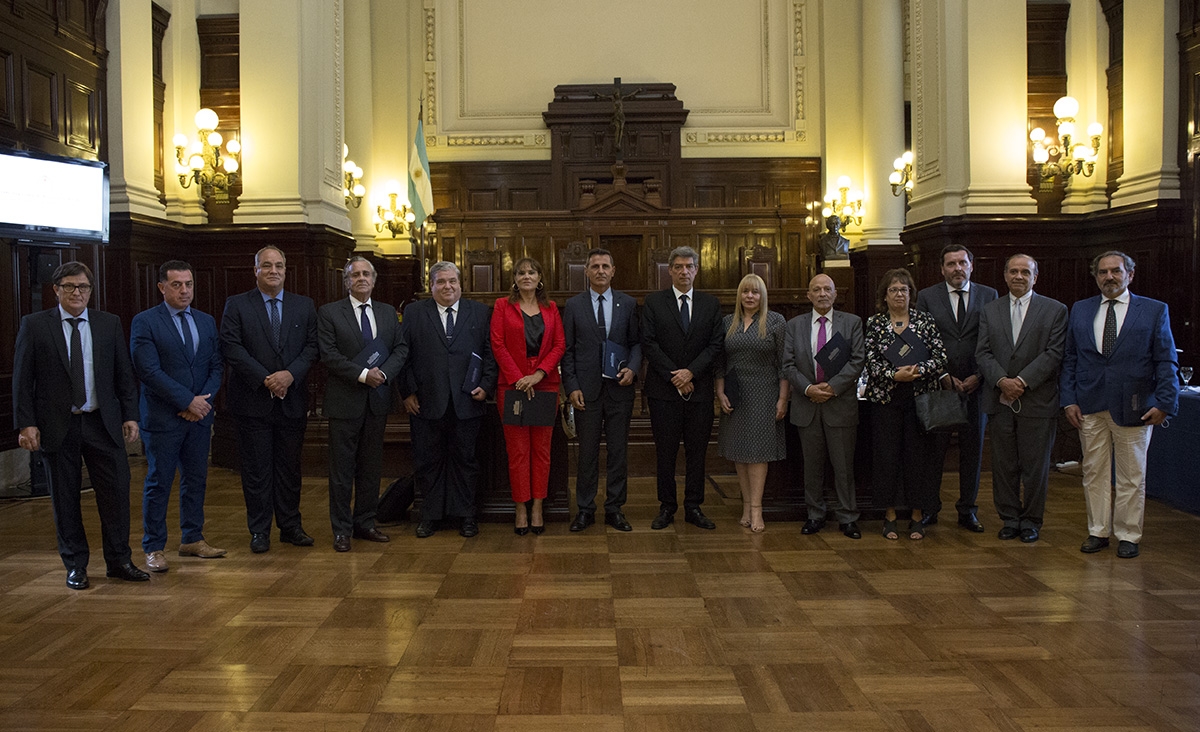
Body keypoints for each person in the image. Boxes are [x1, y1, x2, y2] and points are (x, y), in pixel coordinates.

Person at [13, 261, 149, 589]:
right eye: (70, 287)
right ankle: (76, 565)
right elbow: (22, 379)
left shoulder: (108, 324)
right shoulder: (35, 325)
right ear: (56, 290)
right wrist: (26, 424)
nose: (77, 293)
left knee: (116, 495)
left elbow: (123, 375)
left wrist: (131, 415)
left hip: (102, 423)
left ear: (90, 291)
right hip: (58, 426)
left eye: (83, 287)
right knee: (65, 498)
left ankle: (119, 561)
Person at [1061, 251, 1179, 559]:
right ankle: (1098, 531)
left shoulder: (1154, 310)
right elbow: (1071, 359)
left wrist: (1165, 401)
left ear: (1130, 274)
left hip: (1134, 405)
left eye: (1116, 271)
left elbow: (1166, 359)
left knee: (1131, 475)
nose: (1109, 277)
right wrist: (1068, 399)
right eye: (1103, 272)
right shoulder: (1081, 309)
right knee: (1094, 472)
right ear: (1096, 276)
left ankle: (1128, 534)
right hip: (1089, 403)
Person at [219, 245, 319, 554]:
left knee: (289, 469)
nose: (273, 270)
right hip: (252, 401)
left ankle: (290, 526)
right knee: (257, 471)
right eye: (266, 265)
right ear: (256, 270)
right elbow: (231, 347)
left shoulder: (304, 306)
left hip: (291, 400)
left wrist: (289, 375)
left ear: (286, 270)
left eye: (278, 265)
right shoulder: (236, 305)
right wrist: (266, 378)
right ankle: (259, 530)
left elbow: (313, 347)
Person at [129, 260, 226, 572]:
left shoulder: (206, 321)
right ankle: (154, 547)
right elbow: (148, 370)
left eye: (189, 284)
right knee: (160, 482)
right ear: (162, 287)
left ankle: (192, 538)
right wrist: (187, 401)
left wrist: (202, 403)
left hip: (200, 416)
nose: (185, 290)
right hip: (164, 418)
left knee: (196, 479)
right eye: (177, 285)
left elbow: (216, 365)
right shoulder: (145, 322)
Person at [316, 256, 408, 552]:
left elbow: (400, 349)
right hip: (344, 402)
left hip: (377, 400)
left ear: (374, 279)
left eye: (367, 274)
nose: (362, 278)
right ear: (346, 281)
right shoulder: (330, 313)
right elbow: (328, 355)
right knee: (342, 471)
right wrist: (362, 374)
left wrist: (383, 374)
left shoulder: (386, 313)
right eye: (355, 275)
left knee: (370, 468)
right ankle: (341, 529)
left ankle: (365, 523)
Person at [400, 261, 498, 539]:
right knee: (427, 461)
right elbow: (402, 354)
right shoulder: (415, 312)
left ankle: (466, 515)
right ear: (431, 286)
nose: (447, 287)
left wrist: (486, 386)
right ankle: (430, 516)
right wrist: (407, 392)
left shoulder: (479, 312)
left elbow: (490, 354)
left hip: (468, 401)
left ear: (460, 284)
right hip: (425, 403)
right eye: (441, 282)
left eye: (452, 281)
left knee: (466, 461)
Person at [975, 254, 1067, 543]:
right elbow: (983, 353)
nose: (1018, 276)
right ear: (1004, 275)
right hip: (1000, 399)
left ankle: (1031, 521)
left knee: (1035, 466)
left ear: (1035, 277)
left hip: (1037, 400)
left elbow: (1053, 354)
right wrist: (1002, 381)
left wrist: (1022, 382)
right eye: (1013, 271)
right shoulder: (990, 310)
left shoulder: (1055, 310)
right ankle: (1010, 518)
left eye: (1025, 272)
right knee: (1003, 465)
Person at [641, 246, 724, 530]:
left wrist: (691, 373)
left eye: (689, 266)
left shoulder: (710, 304)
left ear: (696, 270)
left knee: (697, 452)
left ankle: (693, 506)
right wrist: (674, 375)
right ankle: (666, 507)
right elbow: (649, 343)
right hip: (663, 391)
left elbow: (715, 345)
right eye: (678, 266)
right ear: (670, 270)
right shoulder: (653, 303)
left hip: (699, 390)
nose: (684, 271)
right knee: (665, 453)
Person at [916, 244, 997, 533]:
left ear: (971, 265)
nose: (957, 269)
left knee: (972, 452)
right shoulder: (927, 297)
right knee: (934, 452)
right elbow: (921, 340)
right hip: (941, 385)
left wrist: (979, 375)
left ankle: (967, 510)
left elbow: (993, 340)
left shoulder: (989, 295)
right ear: (942, 269)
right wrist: (942, 374)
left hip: (977, 384)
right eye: (951, 264)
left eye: (962, 263)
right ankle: (930, 509)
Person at [863, 268, 948, 540]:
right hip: (886, 400)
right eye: (893, 290)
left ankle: (916, 516)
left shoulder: (925, 321)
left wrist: (919, 370)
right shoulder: (875, 323)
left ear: (911, 295)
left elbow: (940, 357)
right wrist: (893, 375)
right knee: (887, 457)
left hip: (919, 400)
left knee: (917, 458)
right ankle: (888, 516)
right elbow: (871, 361)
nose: (899, 294)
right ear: (884, 296)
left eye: (904, 290)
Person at [561, 248, 641, 532]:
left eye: (605, 266)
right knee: (587, 453)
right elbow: (567, 351)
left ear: (613, 270)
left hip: (620, 389)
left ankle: (615, 508)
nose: (600, 271)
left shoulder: (628, 304)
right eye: (594, 266)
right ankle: (585, 509)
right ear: (586, 271)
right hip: (586, 392)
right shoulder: (573, 305)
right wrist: (571, 387)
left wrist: (632, 368)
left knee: (618, 452)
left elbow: (636, 344)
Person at [782, 273, 865, 539]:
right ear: (808, 295)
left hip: (840, 404)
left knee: (843, 466)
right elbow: (788, 365)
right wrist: (808, 389)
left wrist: (831, 388)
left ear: (835, 294)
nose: (822, 294)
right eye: (816, 289)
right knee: (812, 466)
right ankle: (815, 515)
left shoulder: (851, 323)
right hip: (807, 406)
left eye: (827, 289)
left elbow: (857, 360)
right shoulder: (794, 325)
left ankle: (847, 517)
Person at [491, 258, 566, 535]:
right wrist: (519, 378)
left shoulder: (551, 308)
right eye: (521, 272)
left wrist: (539, 375)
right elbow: (497, 344)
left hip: (544, 385)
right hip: (512, 386)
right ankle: (520, 506)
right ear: (515, 278)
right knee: (518, 451)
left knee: (542, 451)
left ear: (539, 277)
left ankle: (537, 506)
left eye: (531, 272)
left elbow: (559, 345)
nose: (526, 276)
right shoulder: (502, 306)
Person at [715, 274, 788, 533]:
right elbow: (720, 363)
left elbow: (784, 364)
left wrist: (783, 398)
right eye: (745, 292)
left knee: (757, 453)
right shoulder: (728, 322)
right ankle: (746, 506)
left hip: (764, 393)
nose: (749, 296)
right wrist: (720, 392)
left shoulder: (776, 321)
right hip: (735, 394)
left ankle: (757, 509)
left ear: (762, 295)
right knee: (739, 452)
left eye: (755, 292)